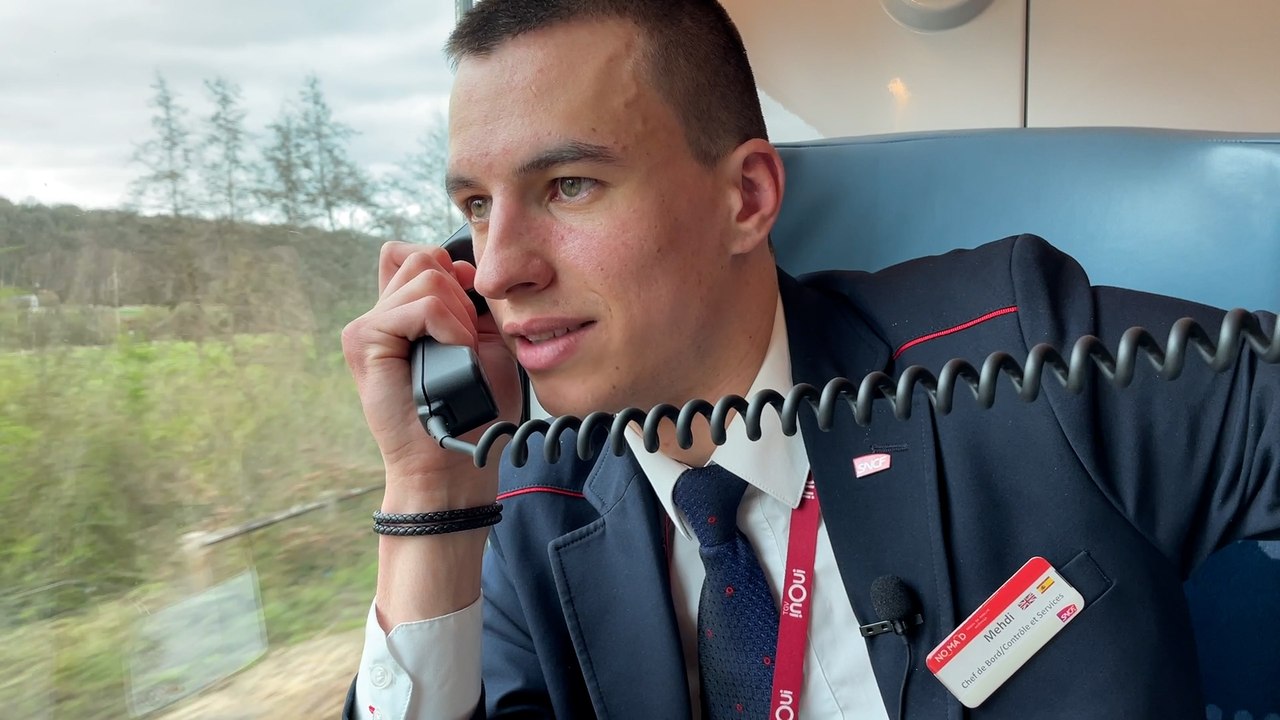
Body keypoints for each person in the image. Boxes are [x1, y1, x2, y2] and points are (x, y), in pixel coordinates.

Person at [338, 1, 1280, 718]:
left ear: (747, 197)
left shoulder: (1019, 357)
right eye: (476, 208)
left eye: (569, 185)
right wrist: (428, 491)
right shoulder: (531, 508)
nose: (500, 268)